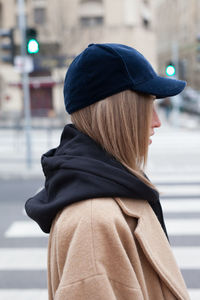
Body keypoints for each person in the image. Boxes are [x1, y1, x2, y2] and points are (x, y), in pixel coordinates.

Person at [25, 43, 190, 300]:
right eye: (148, 106)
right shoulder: (94, 222)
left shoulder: (116, 188)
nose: (157, 122)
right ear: (120, 113)